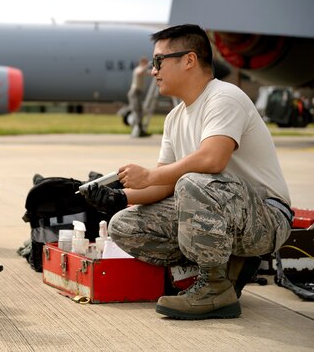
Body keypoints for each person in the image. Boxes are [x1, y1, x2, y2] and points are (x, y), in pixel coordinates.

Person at [83, 24, 293, 320]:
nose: (153, 71)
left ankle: (215, 289)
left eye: (158, 61)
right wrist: (118, 197)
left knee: (193, 183)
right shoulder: (174, 118)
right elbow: (164, 184)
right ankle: (227, 265)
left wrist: (150, 176)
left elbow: (212, 160)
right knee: (123, 225)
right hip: (224, 213)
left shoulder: (224, 97)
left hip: (266, 219)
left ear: (189, 60)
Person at [127, 56, 151, 137]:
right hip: (134, 93)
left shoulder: (142, 70)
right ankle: (137, 130)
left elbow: (149, 73)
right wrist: (147, 66)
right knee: (136, 110)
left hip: (139, 93)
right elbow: (140, 72)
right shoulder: (138, 69)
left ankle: (140, 130)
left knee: (140, 111)